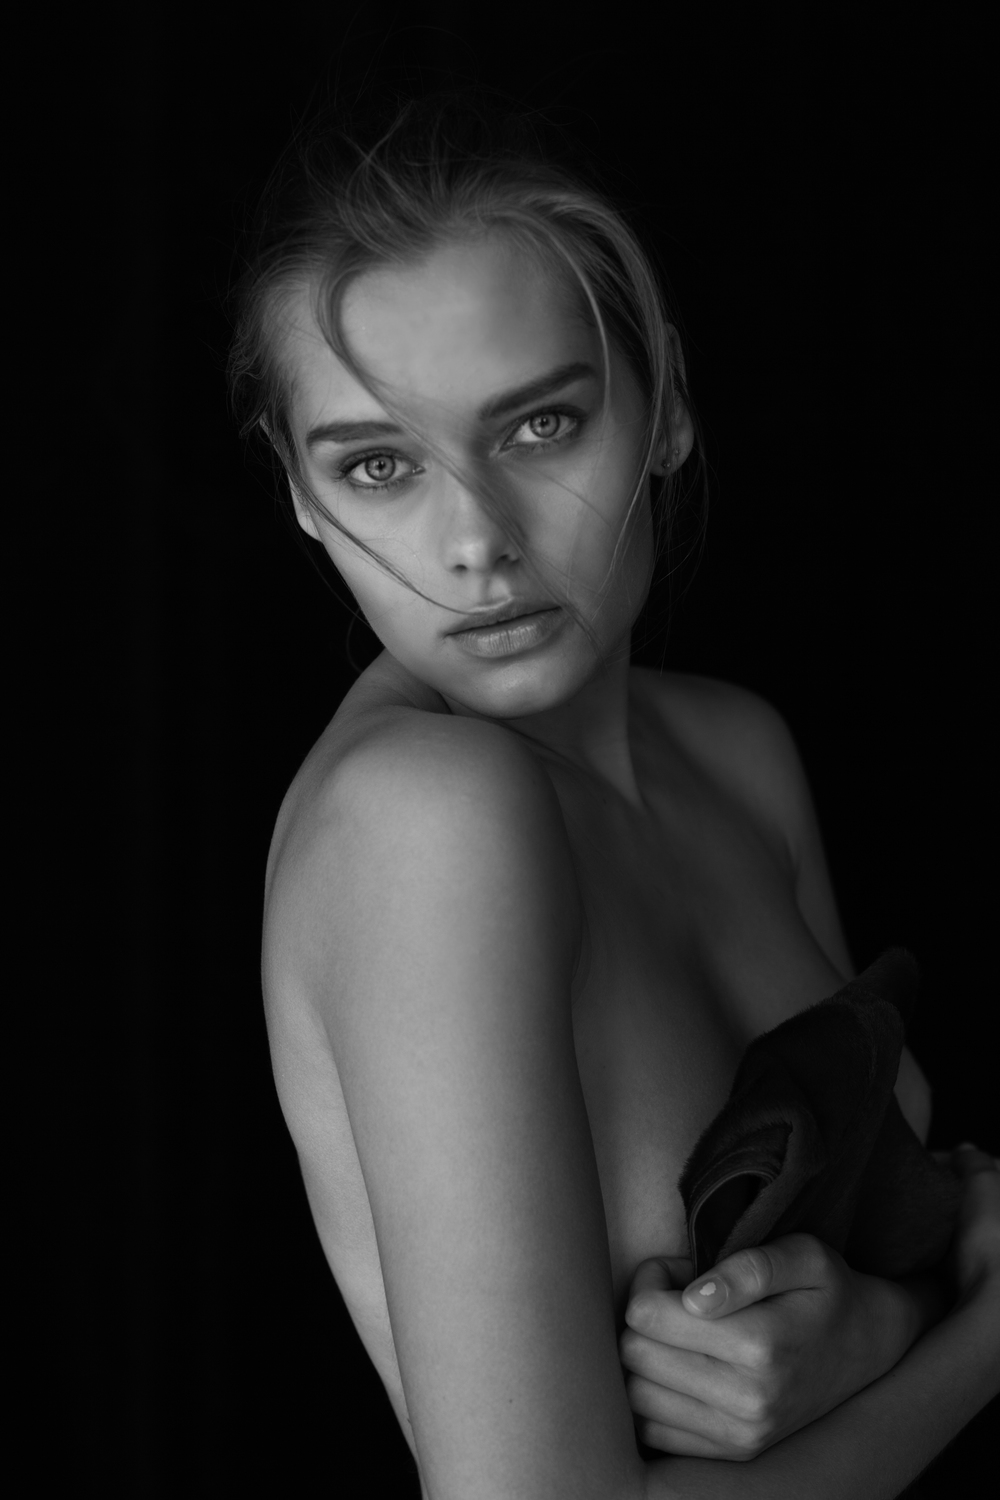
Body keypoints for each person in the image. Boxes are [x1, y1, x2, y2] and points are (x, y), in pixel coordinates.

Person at [229, 92, 999, 1499]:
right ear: (300, 496)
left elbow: (893, 1222)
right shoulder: (424, 823)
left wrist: (881, 1323)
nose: (476, 541)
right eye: (379, 466)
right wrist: (979, 1341)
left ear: (666, 411)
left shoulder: (739, 754)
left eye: (539, 427)